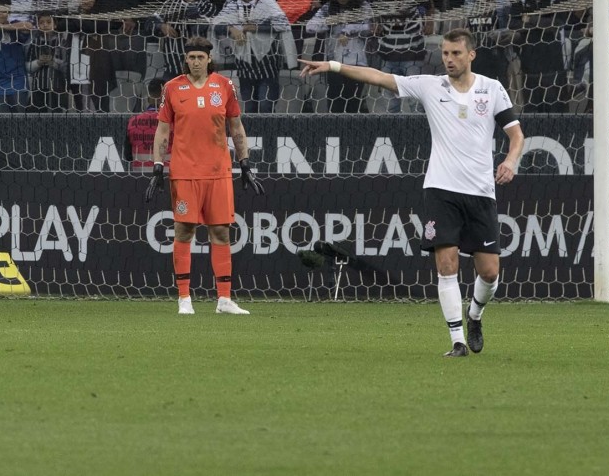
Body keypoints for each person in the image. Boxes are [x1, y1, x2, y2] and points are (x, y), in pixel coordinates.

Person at [301, 28, 525, 357]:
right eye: (445, 53)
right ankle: (457, 341)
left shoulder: (491, 90)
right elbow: (377, 77)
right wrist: (334, 66)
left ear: (471, 55)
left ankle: (475, 315)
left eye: (456, 54)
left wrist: (510, 160)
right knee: (446, 264)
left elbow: (516, 134)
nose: (449, 59)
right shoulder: (430, 85)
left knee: (489, 271)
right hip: (440, 189)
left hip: (480, 192)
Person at [145, 36, 264, 315]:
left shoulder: (224, 86)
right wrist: (157, 167)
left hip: (218, 171)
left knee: (221, 231)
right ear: (185, 59)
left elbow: (236, 127)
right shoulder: (172, 88)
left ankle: (224, 299)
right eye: (191, 57)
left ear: (209, 59)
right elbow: (163, 131)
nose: (196, 61)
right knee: (184, 230)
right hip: (185, 172)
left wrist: (244, 163)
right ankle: (184, 299)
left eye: (200, 57)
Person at [124, 77, 166, 172]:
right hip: (168, 178)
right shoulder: (173, 122)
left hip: (140, 178)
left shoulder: (133, 122)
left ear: (148, 98)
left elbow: (128, 156)